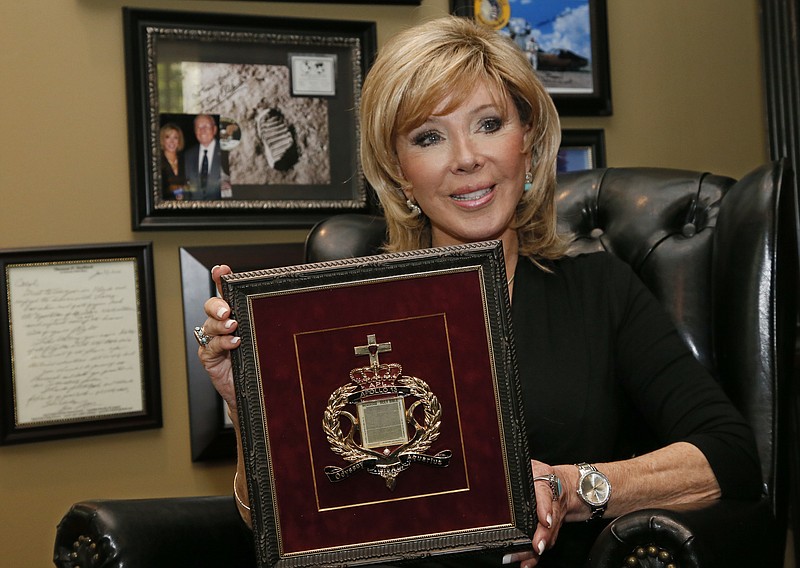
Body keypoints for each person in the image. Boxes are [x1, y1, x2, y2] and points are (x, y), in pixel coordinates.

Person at [195, 16, 761, 567]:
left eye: (489, 124)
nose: (466, 158)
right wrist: (243, 402)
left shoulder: (600, 290)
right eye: (429, 136)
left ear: (528, 141)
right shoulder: (341, 314)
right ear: (399, 171)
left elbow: (729, 457)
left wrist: (570, 486)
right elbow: (276, 523)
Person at [184, 113, 232, 200]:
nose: (203, 130)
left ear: (214, 129)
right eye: (199, 127)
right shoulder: (188, 155)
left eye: (206, 126)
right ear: (195, 132)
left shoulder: (227, 152)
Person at [159, 123, 187, 200]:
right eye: (167, 137)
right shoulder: (157, 162)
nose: (172, 141)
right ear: (162, 140)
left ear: (179, 141)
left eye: (175, 138)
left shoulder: (185, 160)